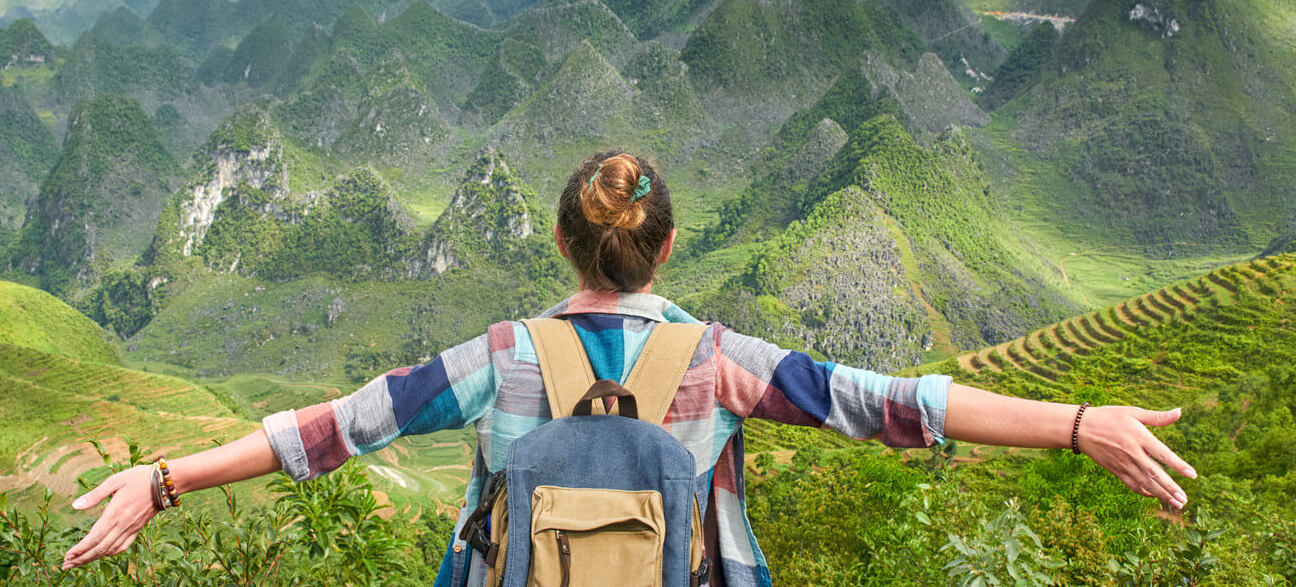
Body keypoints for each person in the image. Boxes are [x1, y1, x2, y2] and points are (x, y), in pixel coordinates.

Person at [61, 151, 1197, 585]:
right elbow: (895, 407)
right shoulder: (721, 360)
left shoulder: (498, 358)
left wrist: (160, 481)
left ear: (563, 244)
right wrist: (1080, 419)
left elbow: (333, 427)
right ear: (667, 248)